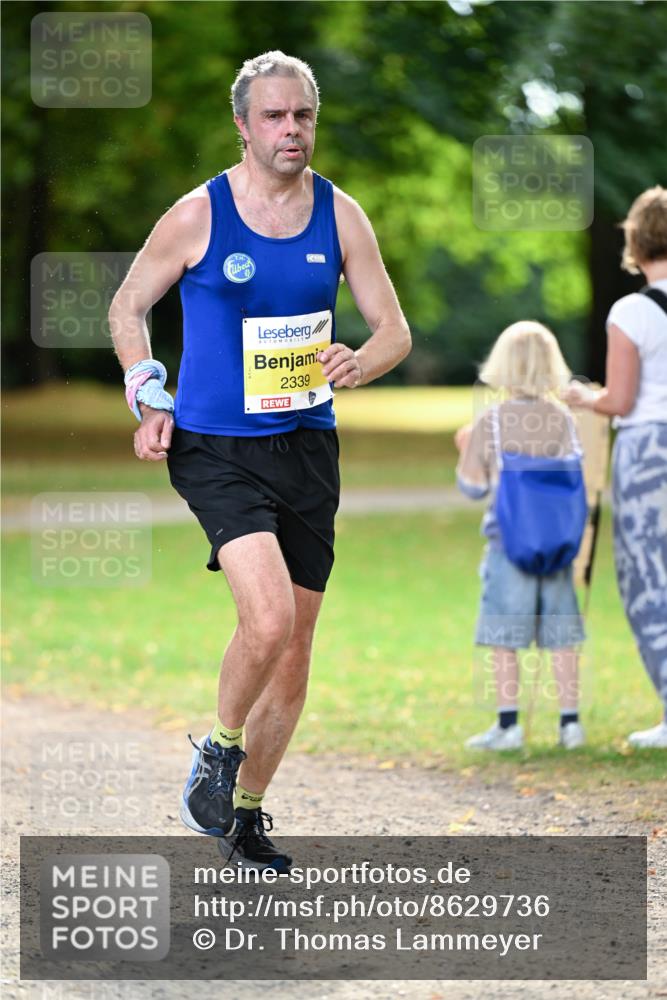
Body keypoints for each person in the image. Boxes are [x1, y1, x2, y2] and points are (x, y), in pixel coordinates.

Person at [110, 51, 411, 868]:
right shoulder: (196, 215)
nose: (291, 131)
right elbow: (128, 303)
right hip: (215, 448)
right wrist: (149, 393)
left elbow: (393, 331)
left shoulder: (341, 215)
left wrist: (362, 361)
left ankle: (244, 813)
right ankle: (218, 746)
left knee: (297, 641)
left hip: (307, 446)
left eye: (302, 115)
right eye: (274, 117)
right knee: (268, 618)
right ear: (242, 126)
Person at [563, 186, 667, 749]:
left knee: (648, 579)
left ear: (636, 239)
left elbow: (621, 400)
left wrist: (584, 398)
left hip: (649, 450)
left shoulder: (632, 311)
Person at [455, 321, 587, 752]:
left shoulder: (490, 422)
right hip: (557, 546)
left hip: (508, 545)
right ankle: (570, 724)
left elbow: (473, 487)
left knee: (504, 634)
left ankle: (508, 726)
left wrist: (464, 450)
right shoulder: (563, 419)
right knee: (562, 633)